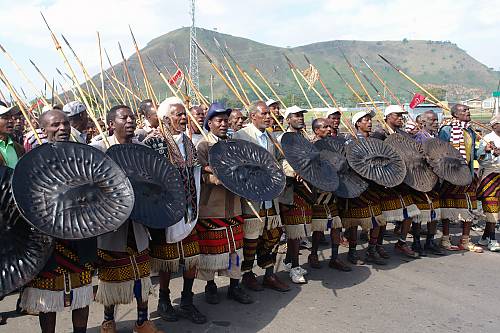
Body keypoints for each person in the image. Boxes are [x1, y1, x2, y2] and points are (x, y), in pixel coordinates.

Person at [20, 109, 96, 333]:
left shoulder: (83, 156)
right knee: (47, 296)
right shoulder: (31, 163)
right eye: (55, 125)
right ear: (43, 130)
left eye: (65, 124)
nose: (62, 128)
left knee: (81, 293)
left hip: (79, 234)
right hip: (47, 239)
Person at [92, 105, 162, 333]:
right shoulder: (100, 148)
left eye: (132, 116)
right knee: (110, 277)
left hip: (139, 222)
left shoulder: (142, 149)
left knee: (142, 275)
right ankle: (108, 320)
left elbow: (153, 181)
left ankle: (142, 321)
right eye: (124, 117)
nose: (130, 120)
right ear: (112, 124)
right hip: (111, 225)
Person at [145, 97, 206, 325]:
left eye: (184, 114)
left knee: (191, 257)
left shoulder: (189, 143)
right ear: (164, 119)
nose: (183, 118)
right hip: (166, 211)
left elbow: (195, 172)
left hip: (189, 209)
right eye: (178, 114)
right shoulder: (152, 143)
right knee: (166, 261)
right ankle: (164, 300)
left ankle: (188, 300)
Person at [195, 102, 252, 304]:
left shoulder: (234, 143)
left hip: (234, 206)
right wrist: (216, 178)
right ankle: (210, 286)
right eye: (219, 120)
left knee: (235, 250)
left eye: (226, 120)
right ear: (209, 123)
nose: (223, 124)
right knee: (210, 250)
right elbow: (198, 174)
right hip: (212, 208)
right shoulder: (203, 145)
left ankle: (234, 286)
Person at [233, 101, 290, 292]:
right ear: (252, 116)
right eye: (264, 114)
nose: (268, 117)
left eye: (269, 114)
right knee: (251, 238)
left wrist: (289, 171)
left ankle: (269, 274)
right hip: (251, 197)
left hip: (271, 195)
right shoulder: (240, 136)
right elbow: (235, 166)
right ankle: (247, 274)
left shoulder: (272, 136)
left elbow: (280, 161)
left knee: (272, 235)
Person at [337, 110, 386, 265]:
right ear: (358, 124)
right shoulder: (350, 142)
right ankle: (352, 251)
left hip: (374, 185)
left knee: (377, 220)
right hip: (357, 185)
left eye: (370, 120)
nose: (369, 122)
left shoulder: (375, 141)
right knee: (354, 222)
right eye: (365, 120)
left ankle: (371, 249)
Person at [438, 103, 489, 253]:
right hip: (450, 174)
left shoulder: (470, 131)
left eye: (468, 110)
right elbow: (440, 152)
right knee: (447, 207)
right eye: (464, 110)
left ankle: (465, 241)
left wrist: (484, 150)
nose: (468, 112)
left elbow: (473, 152)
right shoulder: (446, 130)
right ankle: (445, 239)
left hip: (467, 173)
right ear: (455, 114)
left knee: (469, 207)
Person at [309, 117, 350, 271]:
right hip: (318, 192)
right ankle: (313, 254)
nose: (328, 128)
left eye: (329, 126)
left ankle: (334, 257)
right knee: (319, 227)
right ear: (316, 130)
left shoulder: (334, 145)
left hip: (334, 190)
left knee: (335, 225)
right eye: (324, 127)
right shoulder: (310, 147)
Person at [277, 106, 312, 284]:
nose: (300, 118)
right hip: (289, 189)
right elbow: (278, 161)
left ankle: (289, 261)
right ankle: (296, 268)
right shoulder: (281, 139)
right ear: (288, 119)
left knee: (298, 230)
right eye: (296, 116)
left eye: (301, 116)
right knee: (295, 229)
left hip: (304, 190)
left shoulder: (305, 137)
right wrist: (293, 170)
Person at [476, 115, 500, 251]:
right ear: (494, 125)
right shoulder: (487, 139)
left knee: (497, 209)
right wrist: (490, 153)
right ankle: (492, 239)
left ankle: (484, 238)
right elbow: (480, 159)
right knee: (492, 207)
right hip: (490, 176)